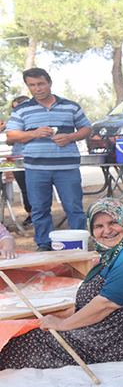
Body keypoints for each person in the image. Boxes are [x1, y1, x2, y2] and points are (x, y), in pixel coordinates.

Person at [0, 198, 123, 369]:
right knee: (31, 326)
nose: (107, 230)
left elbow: (108, 303)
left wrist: (63, 324)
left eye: (113, 223)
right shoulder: (119, 249)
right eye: (99, 226)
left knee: (27, 341)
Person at [6, 68, 91, 251]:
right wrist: (33, 133)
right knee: (39, 209)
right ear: (28, 86)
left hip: (67, 167)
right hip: (36, 168)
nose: (37, 88)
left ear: (49, 83)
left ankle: (78, 243)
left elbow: (86, 129)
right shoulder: (22, 109)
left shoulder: (70, 106)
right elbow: (11, 136)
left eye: (41, 84)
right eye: (32, 85)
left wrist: (70, 137)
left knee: (74, 206)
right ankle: (44, 244)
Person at [6, 95, 32, 226]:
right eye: (14, 109)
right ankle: (30, 214)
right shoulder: (14, 121)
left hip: (32, 157)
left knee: (35, 188)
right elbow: (9, 140)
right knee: (25, 189)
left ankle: (36, 214)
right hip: (16, 157)